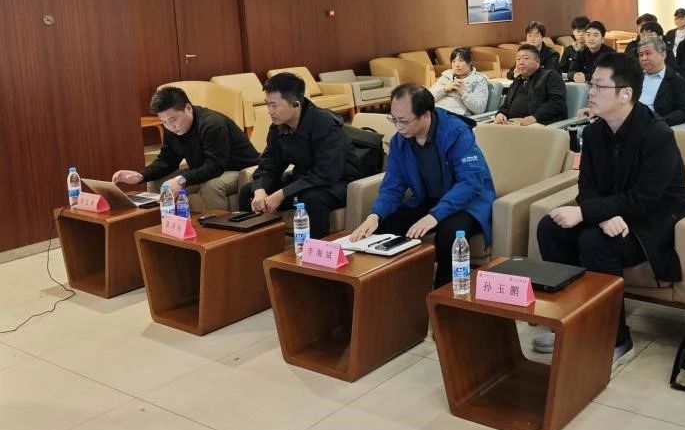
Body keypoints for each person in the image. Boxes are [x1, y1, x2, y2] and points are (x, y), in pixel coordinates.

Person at [532, 53, 685, 366]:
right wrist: (602, 214)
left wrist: (590, 214)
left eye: (599, 86)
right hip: (611, 213)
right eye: (590, 85)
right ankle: (569, 320)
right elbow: (587, 187)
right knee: (550, 227)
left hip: (652, 222)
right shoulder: (593, 133)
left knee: (595, 241)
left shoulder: (657, 134)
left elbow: (645, 199)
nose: (590, 92)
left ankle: (615, 337)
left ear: (625, 94)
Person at [350, 84, 494, 287]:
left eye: (403, 121)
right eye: (393, 119)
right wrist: (375, 215)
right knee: (385, 227)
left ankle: (443, 294)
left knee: (449, 235)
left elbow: (470, 183)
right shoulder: (400, 141)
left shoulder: (456, 132)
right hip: (429, 199)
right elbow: (392, 186)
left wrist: (434, 216)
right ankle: (394, 289)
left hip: (467, 202)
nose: (398, 126)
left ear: (425, 115)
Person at [240, 72, 361, 238]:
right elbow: (269, 164)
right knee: (248, 191)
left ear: (296, 104)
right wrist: (260, 189)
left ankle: (315, 252)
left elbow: (325, 173)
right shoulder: (278, 127)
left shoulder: (325, 124)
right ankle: (255, 245)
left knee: (312, 199)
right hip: (305, 180)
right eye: (267, 104)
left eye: (274, 106)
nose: (270, 111)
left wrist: (282, 194)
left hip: (338, 181)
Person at [113, 86, 259, 211]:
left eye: (173, 119)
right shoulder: (171, 129)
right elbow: (167, 161)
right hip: (205, 169)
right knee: (157, 182)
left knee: (212, 186)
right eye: (164, 122)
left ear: (188, 108)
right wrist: (141, 175)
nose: (170, 126)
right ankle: (164, 226)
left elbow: (215, 167)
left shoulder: (212, 124)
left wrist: (181, 180)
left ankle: (217, 232)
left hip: (239, 169)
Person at [495, 44, 567, 125]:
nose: (521, 62)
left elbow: (556, 102)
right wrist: (501, 113)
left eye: (526, 58)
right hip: (512, 123)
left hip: (541, 122)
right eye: (518, 59)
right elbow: (506, 105)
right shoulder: (517, 81)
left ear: (537, 61)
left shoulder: (550, 76)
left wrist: (536, 117)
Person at [635, 35, 685, 126]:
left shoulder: (677, 81)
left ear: (663, 55)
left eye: (648, 53)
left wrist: (657, 122)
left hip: (654, 126)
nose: (644, 58)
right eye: (641, 55)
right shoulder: (634, 78)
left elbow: (684, 112)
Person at [431, 47, 490, 116]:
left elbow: (479, 109)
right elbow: (428, 98)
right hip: (434, 110)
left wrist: (463, 92)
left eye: (461, 61)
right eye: (454, 61)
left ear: (470, 62)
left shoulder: (479, 80)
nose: (457, 65)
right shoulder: (446, 76)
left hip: (455, 114)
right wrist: (444, 89)